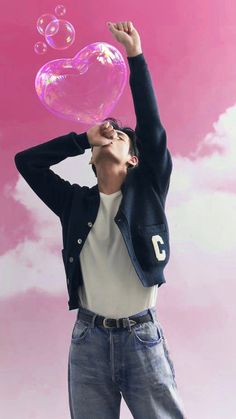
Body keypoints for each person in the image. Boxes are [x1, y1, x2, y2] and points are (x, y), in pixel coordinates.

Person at [14, 20, 187, 419]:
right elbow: (26, 162)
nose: (112, 133)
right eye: (104, 136)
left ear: (135, 159)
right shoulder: (73, 203)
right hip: (88, 339)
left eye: (121, 136)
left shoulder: (149, 192)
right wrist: (80, 139)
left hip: (143, 337)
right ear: (90, 159)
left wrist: (135, 57)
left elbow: (153, 129)